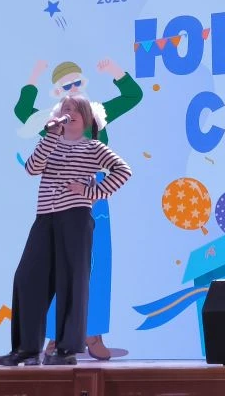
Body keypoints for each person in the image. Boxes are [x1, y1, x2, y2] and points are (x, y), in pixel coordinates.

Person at [14, 59, 143, 359]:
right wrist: (34, 74)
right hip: (53, 206)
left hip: (90, 199)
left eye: (77, 84)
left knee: (92, 268)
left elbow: (132, 96)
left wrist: (115, 72)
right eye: (65, 87)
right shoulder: (52, 124)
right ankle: (53, 337)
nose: (72, 91)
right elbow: (22, 112)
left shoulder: (93, 116)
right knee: (48, 270)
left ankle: (92, 334)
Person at [0, 95, 133, 366]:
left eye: (76, 109)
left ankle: (66, 349)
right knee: (27, 278)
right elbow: (32, 168)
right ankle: (26, 348)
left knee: (72, 281)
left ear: (87, 119)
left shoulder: (93, 147)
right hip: (45, 217)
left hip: (76, 218)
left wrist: (92, 191)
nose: (70, 112)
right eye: (65, 108)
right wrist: (51, 135)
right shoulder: (50, 144)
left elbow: (123, 170)